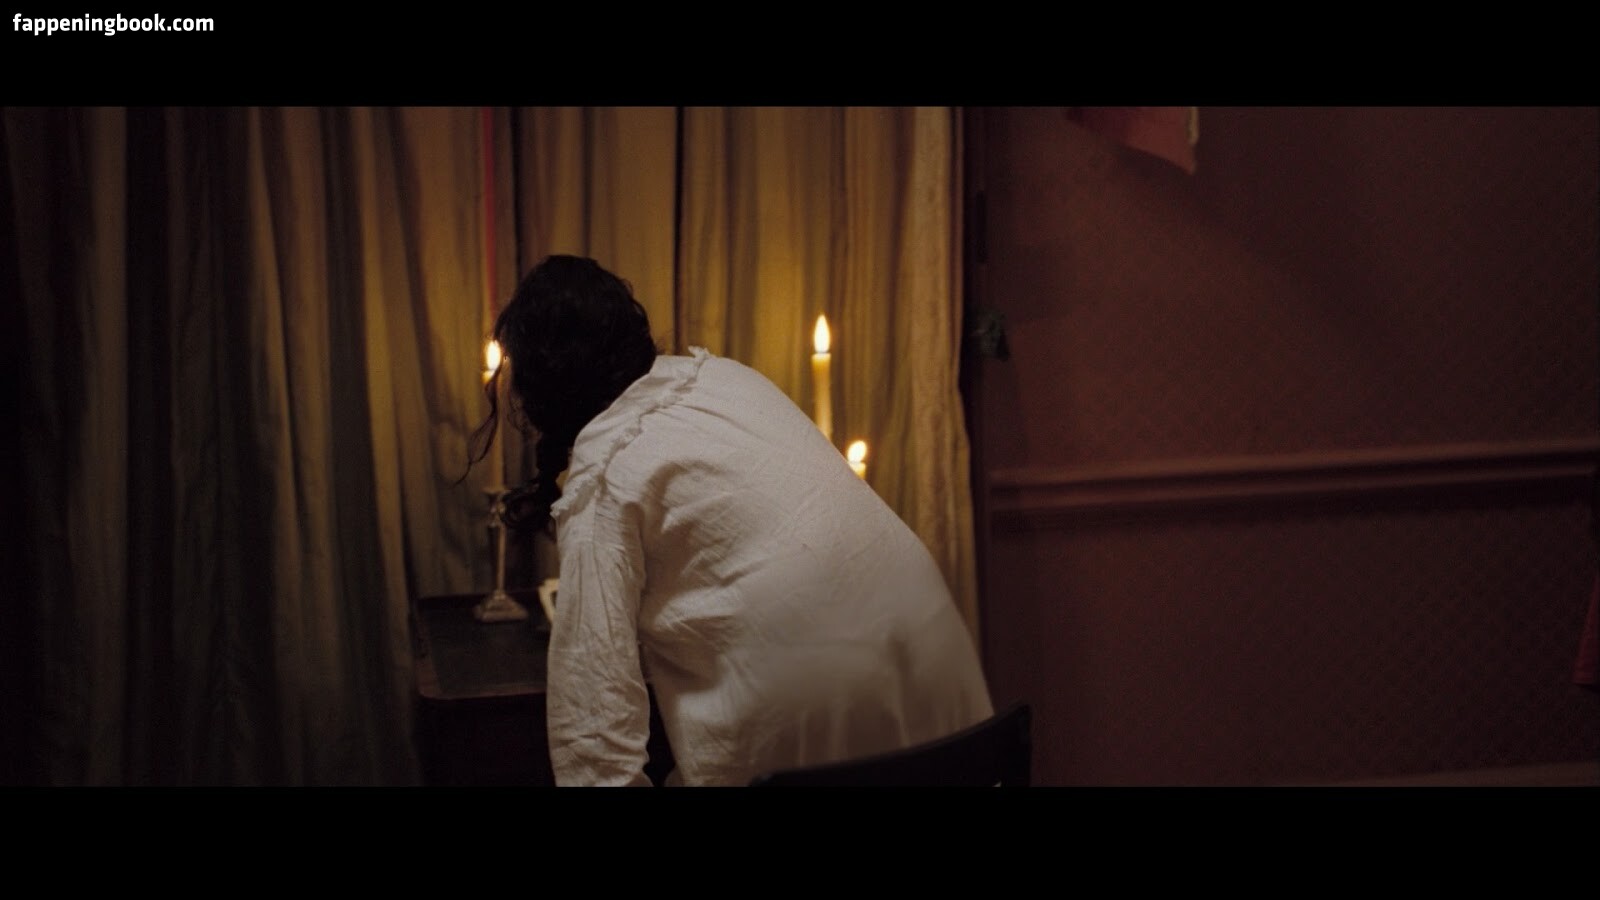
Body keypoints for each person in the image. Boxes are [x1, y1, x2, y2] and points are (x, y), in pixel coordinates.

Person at [475, 254, 994, 786]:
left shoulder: (605, 471)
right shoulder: (726, 378)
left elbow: (593, 731)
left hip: (819, 749)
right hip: (961, 730)